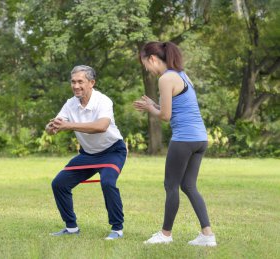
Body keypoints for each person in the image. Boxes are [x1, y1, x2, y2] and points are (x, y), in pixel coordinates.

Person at [133, 41, 217, 246]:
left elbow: (165, 115)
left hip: (184, 139)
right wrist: (153, 105)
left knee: (171, 185)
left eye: (146, 65)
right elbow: (176, 106)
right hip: (199, 138)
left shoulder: (165, 78)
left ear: (152, 59)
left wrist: (151, 109)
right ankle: (207, 236)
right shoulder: (181, 74)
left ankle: (165, 234)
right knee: (188, 185)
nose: (148, 70)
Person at [46, 65, 127, 240]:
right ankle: (71, 228)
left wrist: (68, 126)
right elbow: (56, 124)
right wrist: (51, 128)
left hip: (113, 151)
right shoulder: (70, 103)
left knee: (107, 182)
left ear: (91, 83)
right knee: (59, 184)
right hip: (88, 154)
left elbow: (101, 126)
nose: (76, 86)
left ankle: (117, 229)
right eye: (73, 82)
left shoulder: (103, 101)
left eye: (80, 82)